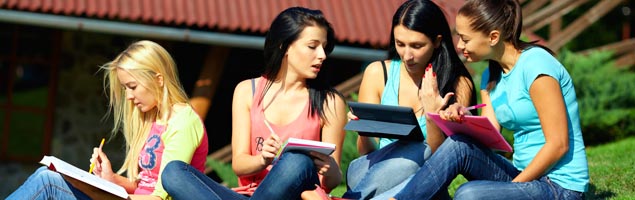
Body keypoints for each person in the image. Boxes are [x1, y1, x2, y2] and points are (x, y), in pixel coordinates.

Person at [391, 0, 590, 199]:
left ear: (493, 37)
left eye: (465, 39)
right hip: (523, 175)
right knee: (458, 144)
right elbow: (490, 137)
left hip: (560, 186)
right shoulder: (490, 76)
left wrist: (513, 187)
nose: (459, 46)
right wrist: (464, 118)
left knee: (469, 194)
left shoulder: (536, 66)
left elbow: (559, 144)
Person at [160, 6, 348, 200]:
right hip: (248, 195)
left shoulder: (330, 102)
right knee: (173, 171)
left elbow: (331, 183)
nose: (322, 55)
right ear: (284, 45)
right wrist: (262, 159)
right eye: (312, 46)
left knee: (298, 161)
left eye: (324, 48)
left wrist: (331, 169)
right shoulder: (246, 91)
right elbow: (239, 165)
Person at [6, 40, 209, 200]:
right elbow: (144, 185)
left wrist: (104, 196)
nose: (129, 97)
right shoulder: (153, 118)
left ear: (158, 79)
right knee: (48, 175)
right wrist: (111, 179)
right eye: (125, 88)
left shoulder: (182, 122)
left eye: (133, 86)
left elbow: (162, 197)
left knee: (48, 181)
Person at [341, 0, 477, 199]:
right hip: (370, 172)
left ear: (437, 41)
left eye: (416, 46)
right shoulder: (377, 73)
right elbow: (366, 152)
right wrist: (364, 131)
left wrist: (432, 116)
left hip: (423, 182)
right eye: (400, 44)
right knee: (392, 161)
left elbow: (443, 163)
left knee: (414, 157)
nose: (407, 55)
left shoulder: (458, 84)